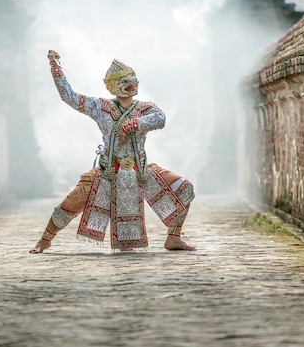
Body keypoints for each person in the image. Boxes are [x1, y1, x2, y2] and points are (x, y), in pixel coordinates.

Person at [30, 50, 195, 253]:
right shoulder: (101, 107)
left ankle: (174, 237)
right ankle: (45, 239)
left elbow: (160, 119)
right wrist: (56, 68)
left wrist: (135, 123)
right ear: (115, 86)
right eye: (126, 81)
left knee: (185, 187)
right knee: (71, 203)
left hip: (140, 171)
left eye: (134, 80)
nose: (132, 84)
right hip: (109, 171)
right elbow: (69, 97)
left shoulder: (145, 108)